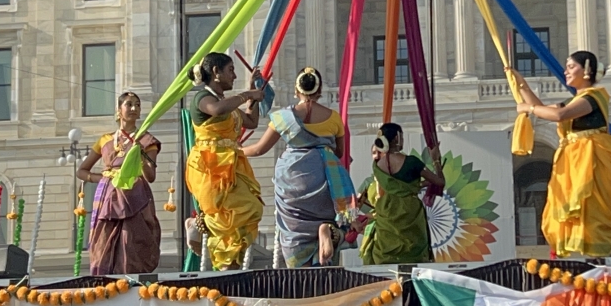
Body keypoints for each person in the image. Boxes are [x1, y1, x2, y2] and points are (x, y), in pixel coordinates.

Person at [512, 51, 611, 258]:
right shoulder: (576, 100)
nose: (566, 71)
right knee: (571, 207)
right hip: (574, 163)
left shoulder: (594, 97)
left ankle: (598, 258)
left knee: (591, 209)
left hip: (591, 163)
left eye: (571, 67)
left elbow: (559, 115)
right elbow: (545, 109)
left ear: (586, 70)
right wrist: (520, 84)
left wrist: (528, 108)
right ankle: (584, 256)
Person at [242, 67, 355, 267]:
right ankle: (326, 233)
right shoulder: (334, 117)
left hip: (292, 180)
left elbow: (259, 149)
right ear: (319, 90)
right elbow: (339, 152)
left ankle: (301, 270)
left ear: (296, 90)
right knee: (334, 222)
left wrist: (236, 150)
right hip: (324, 178)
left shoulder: (282, 117)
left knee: (293, 234)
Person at [185, 52, 266, 270]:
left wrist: (254, 95)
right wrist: (247, 94)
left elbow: (251, 121)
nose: (234, 76)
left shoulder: (226, 103)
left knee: (250, 210)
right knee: (227, 215)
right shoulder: (203, 98)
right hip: (209, 167)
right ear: (216, 72)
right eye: (230, 70)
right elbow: (216, 110)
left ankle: (229, 266)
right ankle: (197, 226)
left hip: (231, 165)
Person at [77, 91, 162, 275]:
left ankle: (132, 282)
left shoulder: (147, 140)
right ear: (118, 110)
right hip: (108, 195)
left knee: (131, 241)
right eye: (129, 104)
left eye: (137, 105)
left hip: (135, 195)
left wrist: (141, 156)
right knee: (103, 241)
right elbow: (82, 171)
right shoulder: (105, 140)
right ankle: (104, 283)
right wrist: (105, 179)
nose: (134, 108)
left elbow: (150, 176)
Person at [360, 123, 445, 265]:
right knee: (413, 248)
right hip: (409, 210)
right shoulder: (412, 162)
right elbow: (440, 182)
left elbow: (399, 187)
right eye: (402, 137)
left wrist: (420, 185)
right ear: (397, 138)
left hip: (387, 208)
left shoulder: (377, 165)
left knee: (387, 244)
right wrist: (436, 160)